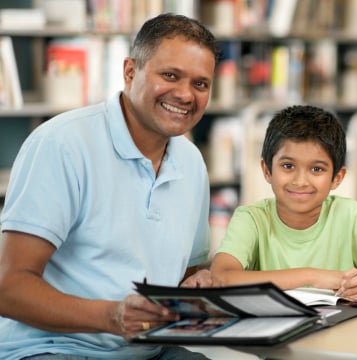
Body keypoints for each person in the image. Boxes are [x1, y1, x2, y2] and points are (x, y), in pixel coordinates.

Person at [0, 13, 220, 359]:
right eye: (170, 75)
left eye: (200, 84)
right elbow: (8, 288)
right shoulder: (62, 144)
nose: (184, 94)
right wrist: (112, 317)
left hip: (148, 351)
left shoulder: (192, 162)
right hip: (53, 349)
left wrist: (199, 285)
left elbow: (187, 275)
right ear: (130, 72)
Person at [210, 105, 357, 298]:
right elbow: (221, 277)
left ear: (337, 178)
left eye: (317, 169)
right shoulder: (251, 219)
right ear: (267, 170)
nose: (300, 181)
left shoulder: (350, 215)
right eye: (288, 166)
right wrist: (312, 276)